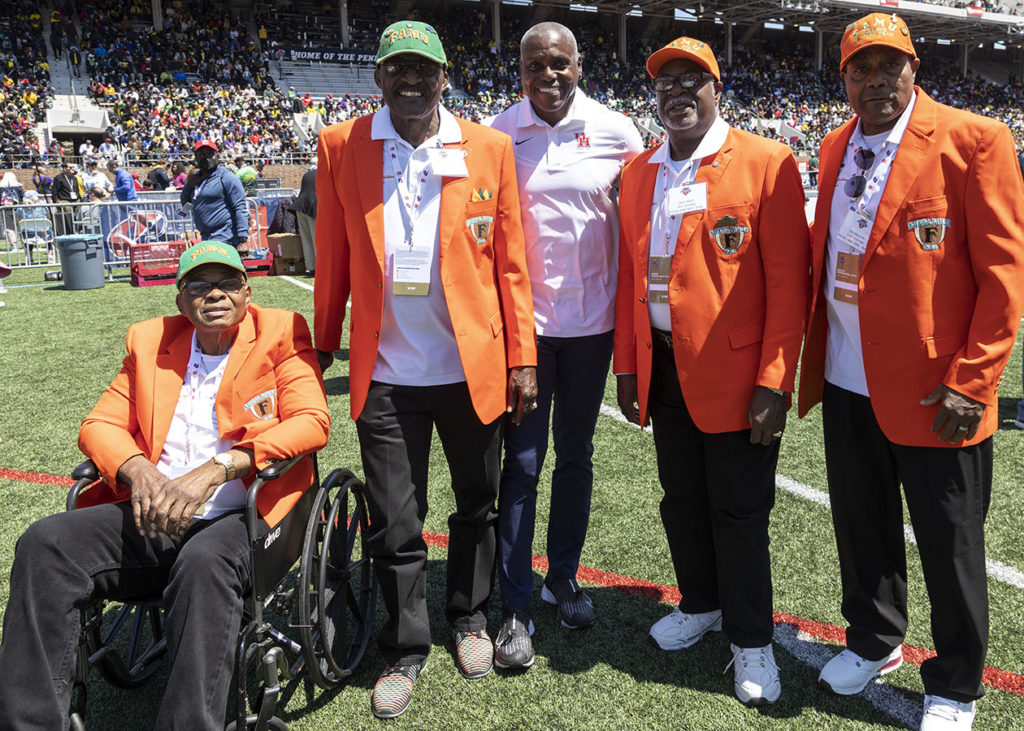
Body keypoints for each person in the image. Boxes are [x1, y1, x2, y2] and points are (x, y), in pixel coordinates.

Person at [798, 13, 1024, 730]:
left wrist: (973, 379)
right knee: (862, 527)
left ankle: (957, 682)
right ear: (844, 79)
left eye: (889, 66)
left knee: (949, 542)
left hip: (938, 389)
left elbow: (1004, 277)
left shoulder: (974, 140)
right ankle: (874, 637)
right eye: (860, 69)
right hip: (845, 376)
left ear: (914, 68)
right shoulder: (835, 146)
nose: (875, 81)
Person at [0, 241, 330, 729]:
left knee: (203, 563)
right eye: (199, 285)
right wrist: (138, 469)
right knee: (45, 544)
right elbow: (98, 426)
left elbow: (311, 421)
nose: (214, 294)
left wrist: (218, 469)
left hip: (244, 515)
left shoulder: (280, 332)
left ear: (247, 290)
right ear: (180, 300)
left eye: (227, 283)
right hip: (156, 512)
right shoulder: (150, 340)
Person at [314, 20, 538, 719]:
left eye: (424, 69)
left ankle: (469, 616)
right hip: (384, 374)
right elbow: (333, 257)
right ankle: (404, 647)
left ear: (446, 76)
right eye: (395, 69)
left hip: (471, 366)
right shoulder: (340, 145)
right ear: (377, 78)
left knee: (477, 503)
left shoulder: (490, 147)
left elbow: (510, 264)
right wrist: (320, 347)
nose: (410, 81)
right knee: (393, 519)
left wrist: (523, 357)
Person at [614, 36, 810, 706]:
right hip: (663, 365)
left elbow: (790, 285)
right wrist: (628, 365)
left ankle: (751, 637)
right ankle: (700, 601)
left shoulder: (766, 161)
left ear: (717, 88)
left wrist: (774, 380)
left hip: (738, 375)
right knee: (681, 498)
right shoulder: (640, 173)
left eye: (690, 80)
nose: (676, 93)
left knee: (740, 509)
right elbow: (629, 280)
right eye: (664, 83)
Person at [487, 21, 643, 669]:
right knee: (521, 465)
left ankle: (563, 578)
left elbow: (638, 225)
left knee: (575, 456)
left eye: (559, 63)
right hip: (523, 333)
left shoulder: (618, 132)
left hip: (593, 331)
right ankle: (517, 606)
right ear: (519, 70)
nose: (547, 76)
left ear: (580, 65)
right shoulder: (498, 133)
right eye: (534, 66)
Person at [181, 140, 250, 254]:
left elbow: (240, 208)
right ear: (196, 158)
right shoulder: (195, 178)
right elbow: (185, 205)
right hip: (206, 239)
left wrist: (243, 240)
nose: (207, 158)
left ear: (217, 156)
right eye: (202, 155)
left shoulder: (227, 177)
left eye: (210, 154)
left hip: (226, 239)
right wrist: (189, 186)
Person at [290, 158, 317, 274]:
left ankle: (311, 267)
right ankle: (320, 266)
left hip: (300, 206)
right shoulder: (321, 174)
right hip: (313, 206)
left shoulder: (307, 175)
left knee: (306, 238)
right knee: (317, 238)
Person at [50, 161, 83, 236]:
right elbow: (54, 191)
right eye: (70, 167)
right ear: (64, 169)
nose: (72, 169)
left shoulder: (74, 178)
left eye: (73, 167)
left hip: (75, 200)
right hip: (65, 200)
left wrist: (79, 198)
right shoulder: (58, 178)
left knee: (81, 210)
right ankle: (71, 230)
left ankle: (79, 229)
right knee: (68, 210)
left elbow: (76, 189)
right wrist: (57, 201)